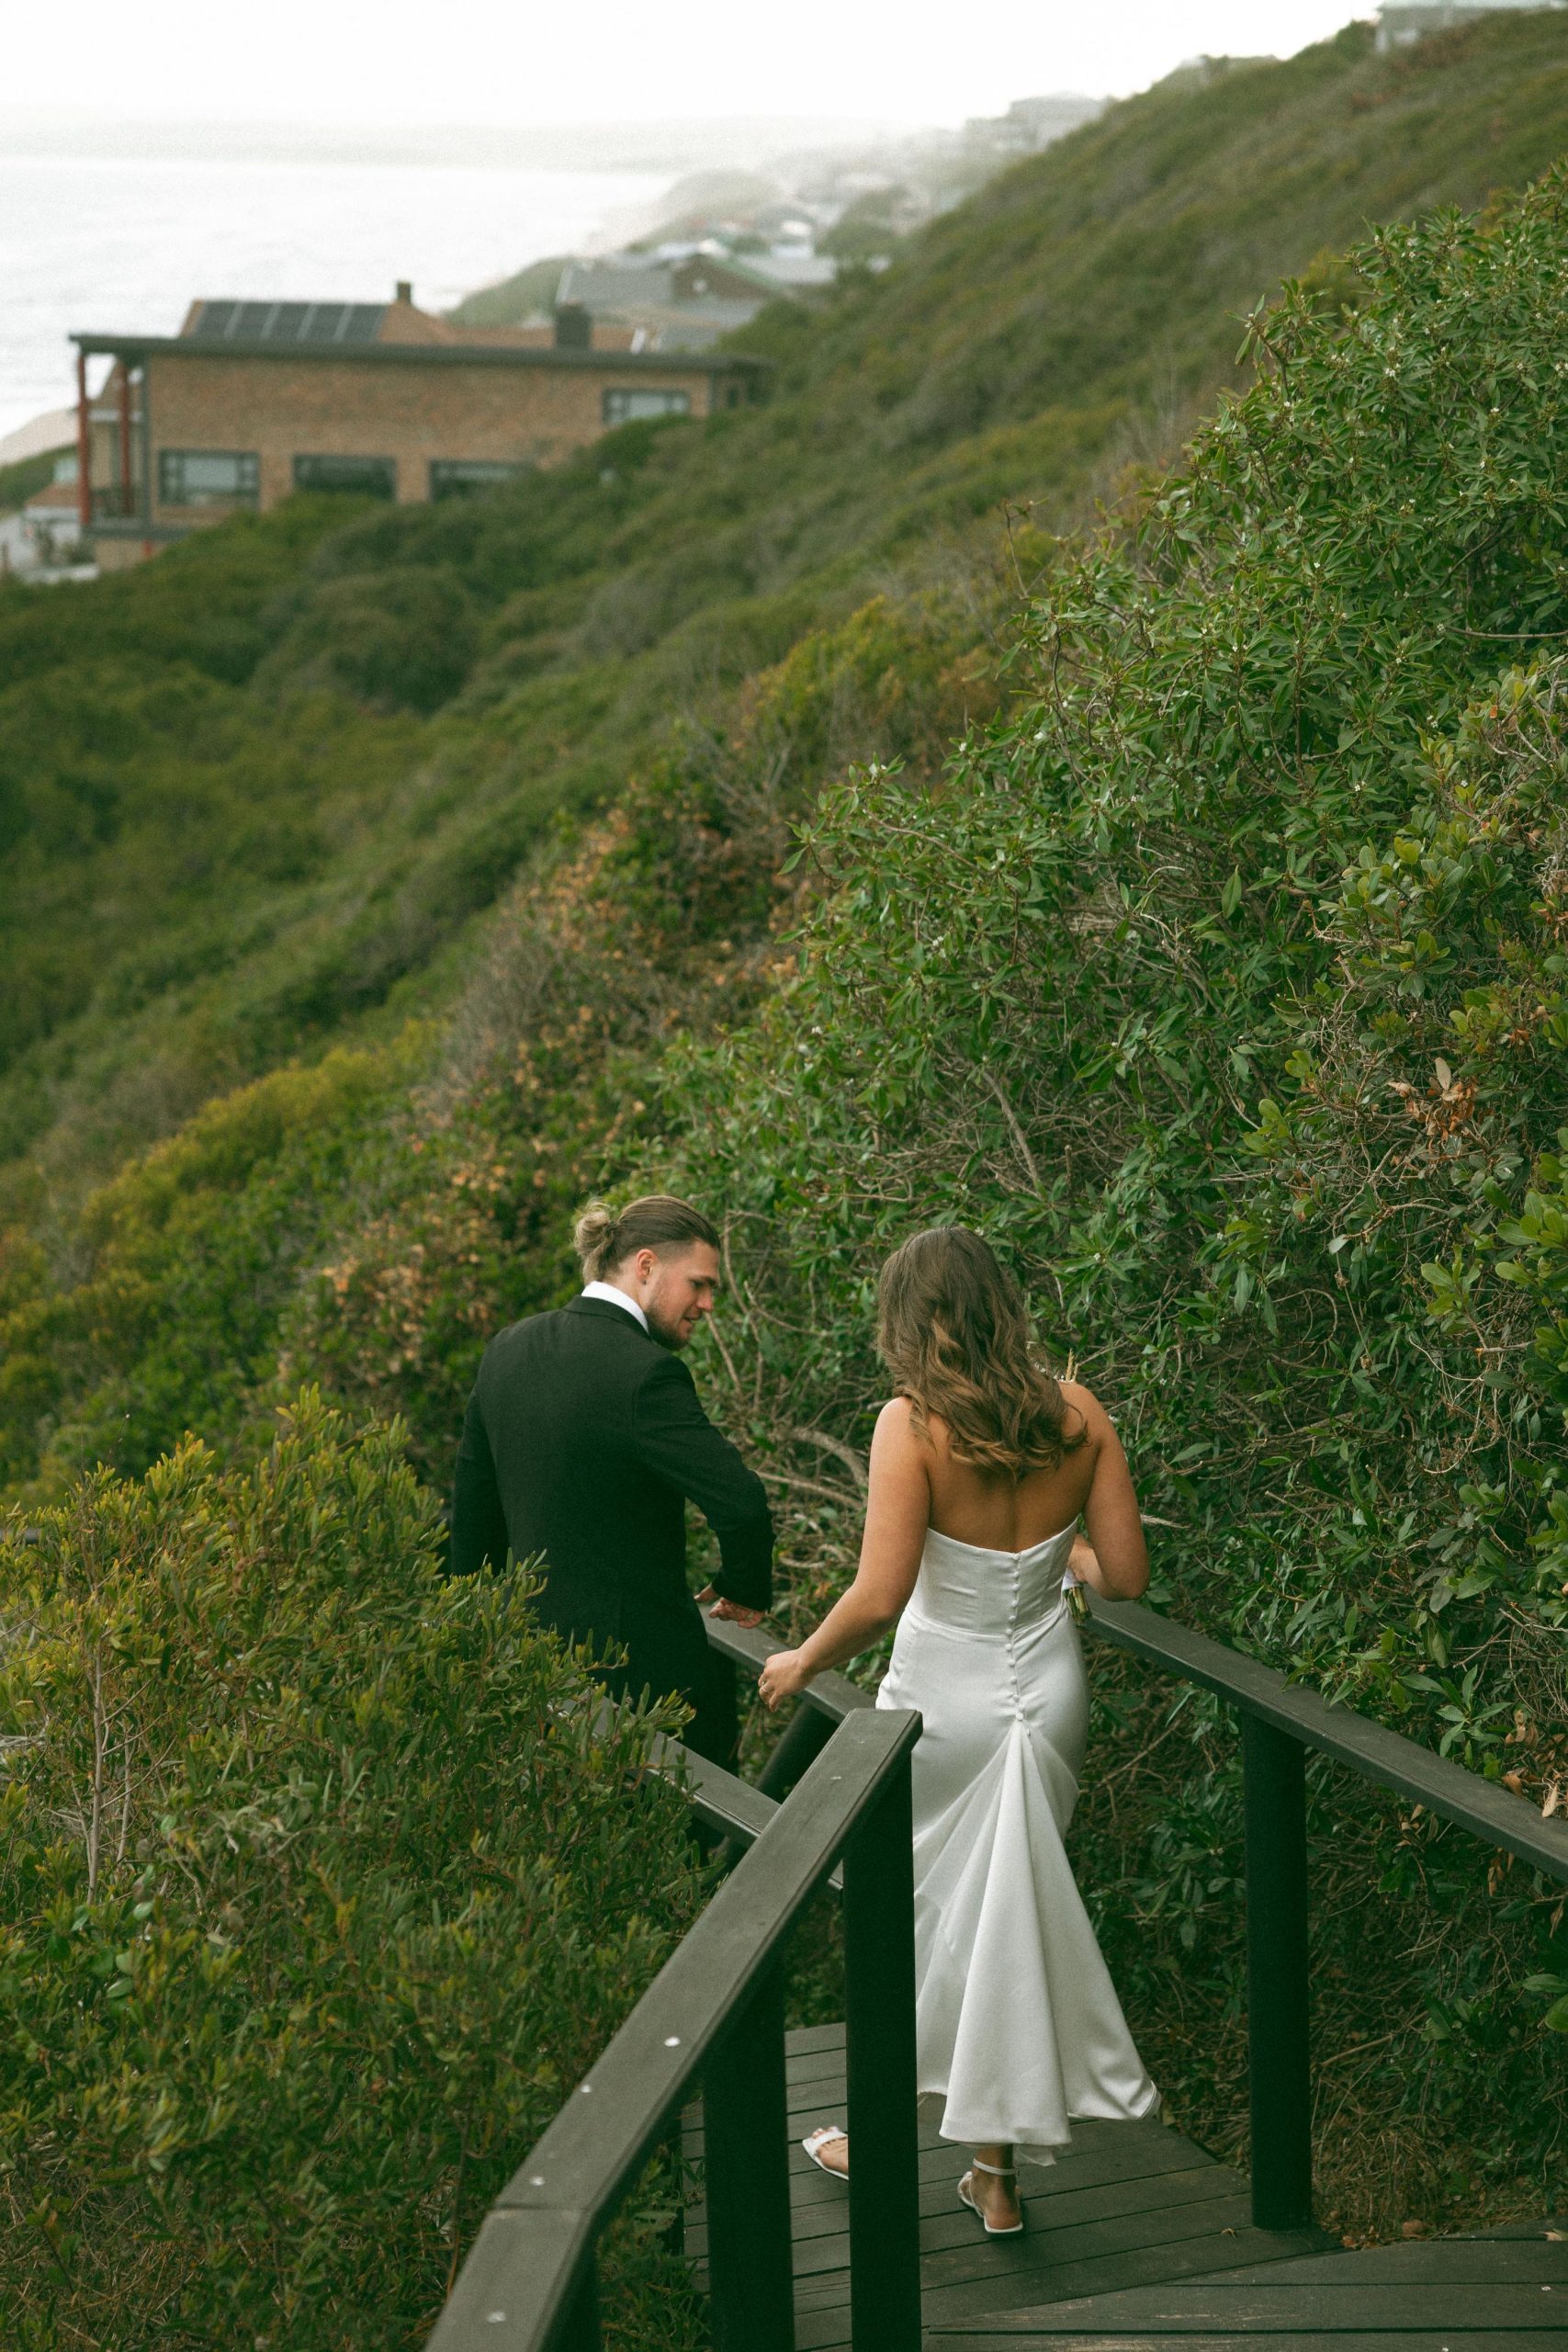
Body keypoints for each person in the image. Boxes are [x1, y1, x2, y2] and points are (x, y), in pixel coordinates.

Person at [759, 1225, 1158, 2235]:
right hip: (1048, 1692)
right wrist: (1059, 1562)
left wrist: (803, 1657)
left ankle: (883, 2132)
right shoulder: (1079, 1415)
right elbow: (1127, 1576)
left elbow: (881, 1593)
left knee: (924, 1921)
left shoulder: (914, 1425)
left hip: (945, 1700)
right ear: (1002, 1304)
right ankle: (996, 2174)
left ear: (912, 1320)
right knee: (1004, 1923)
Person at [450, 1193, 773, 1767]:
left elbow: (473, 1528)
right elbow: (741, 1500)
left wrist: (472, 1661)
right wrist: (743, 1586)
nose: (706, 1304)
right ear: (645, 1266)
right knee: (698, 1855)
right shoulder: (647, 1374)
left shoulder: (506, 1350)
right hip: (646, 1699)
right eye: (698, 1284)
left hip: (532, 1689)